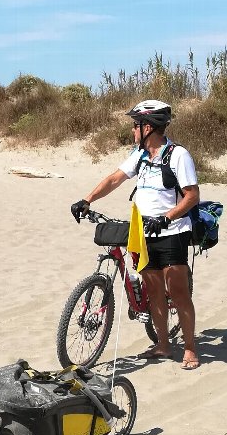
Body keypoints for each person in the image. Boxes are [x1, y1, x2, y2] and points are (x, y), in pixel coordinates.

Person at [70, 99, 201, 369]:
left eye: (135, 125)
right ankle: (163, 345)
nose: (132, 130)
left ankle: (190, 349)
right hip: (144, 234)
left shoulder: (178, 155)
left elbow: (192, 197)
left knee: (178, 294)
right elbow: (114, 179)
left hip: (172, 232)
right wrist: (87, 200)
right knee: (153, 292)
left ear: (149, 128)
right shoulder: (139, 155)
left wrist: (166, 218)